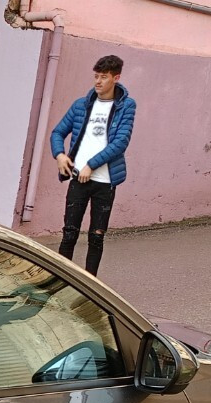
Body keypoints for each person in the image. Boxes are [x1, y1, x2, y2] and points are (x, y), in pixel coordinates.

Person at [50, 55, 136, 276]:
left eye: (104, 77)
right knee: (69, 233)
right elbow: (58, 132)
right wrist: (60, 155)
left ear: (116, 78)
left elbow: (120, 142)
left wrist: (91, 165)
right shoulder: (81, 104)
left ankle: (90, 286)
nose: (98, 81)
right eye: (96, 76)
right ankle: (59, 282)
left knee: (96, 237)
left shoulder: (126, 106)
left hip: (105, 182)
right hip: (78, 179)